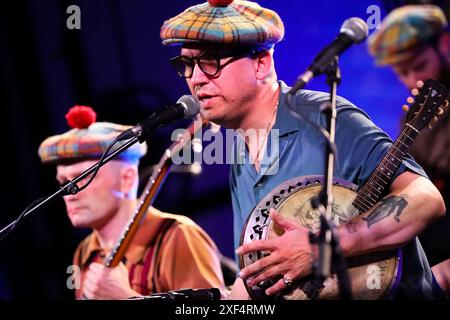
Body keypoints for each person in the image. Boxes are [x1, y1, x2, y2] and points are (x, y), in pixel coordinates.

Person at [160, 0, 446, 299]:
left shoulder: (325, 118)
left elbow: (426, 199)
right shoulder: (241, 159)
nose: (195, 78)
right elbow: (254, 277)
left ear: (261, 64)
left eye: (210, 61)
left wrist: (326, 246)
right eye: (187, 64)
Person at [38, 105, 225, 299]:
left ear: (126, 179)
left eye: (82, 179)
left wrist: (126, 297)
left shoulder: (176, 237)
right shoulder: (84, 253)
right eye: (63, 183)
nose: (70, 193)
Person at [368, 4, 450, 294]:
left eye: (420, 65)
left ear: (444, 43)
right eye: (403, 71)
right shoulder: (413, 116)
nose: (414, 78)